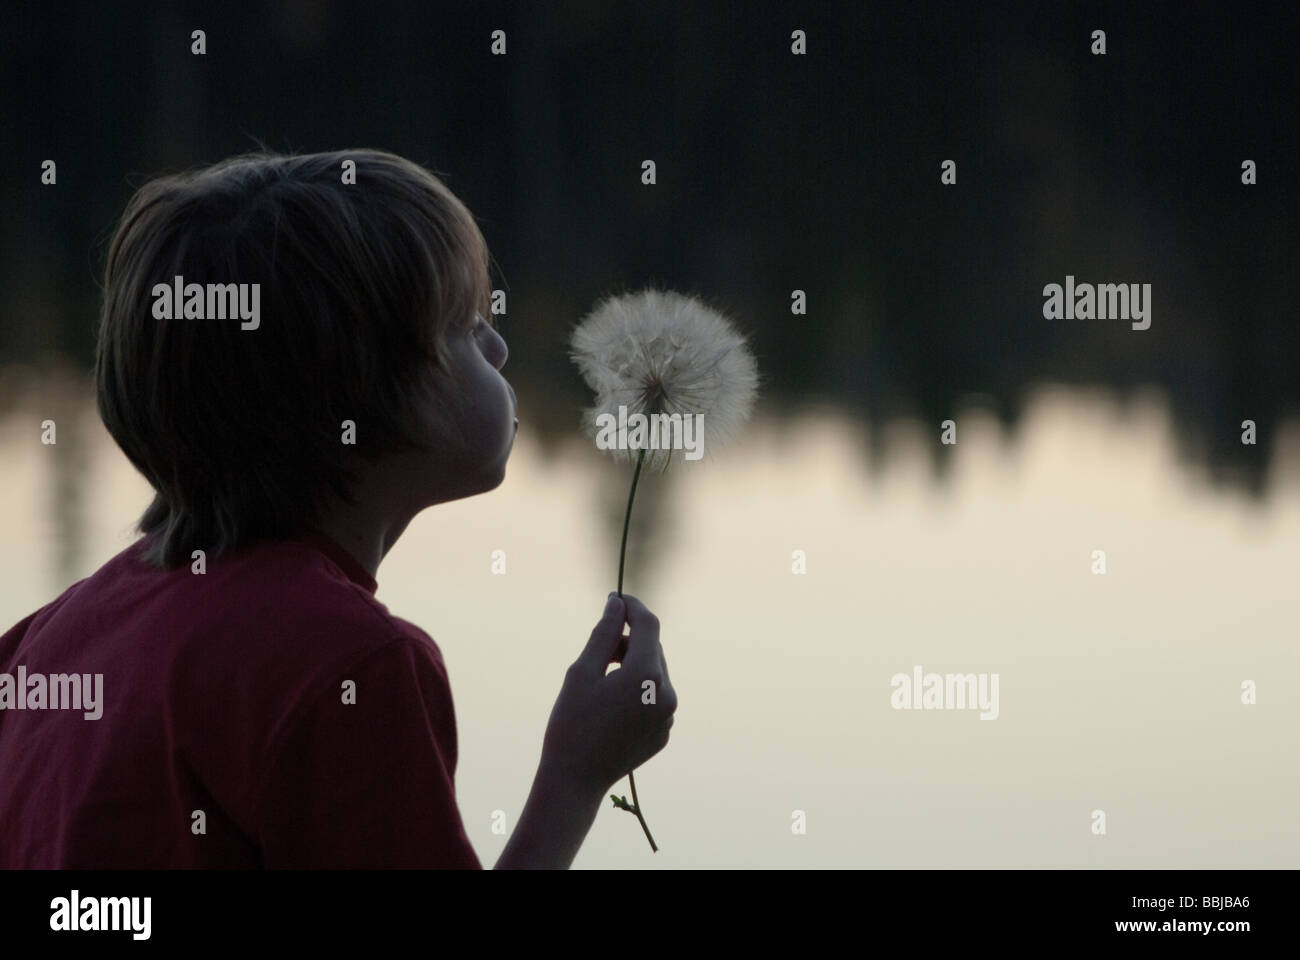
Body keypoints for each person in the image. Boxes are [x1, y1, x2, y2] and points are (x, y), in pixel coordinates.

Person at [0, 149, 676, 868]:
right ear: (356, 396)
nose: (499, 346)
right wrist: (574, 776)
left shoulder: (48, 638)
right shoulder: (350, 668)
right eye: (464, 326)